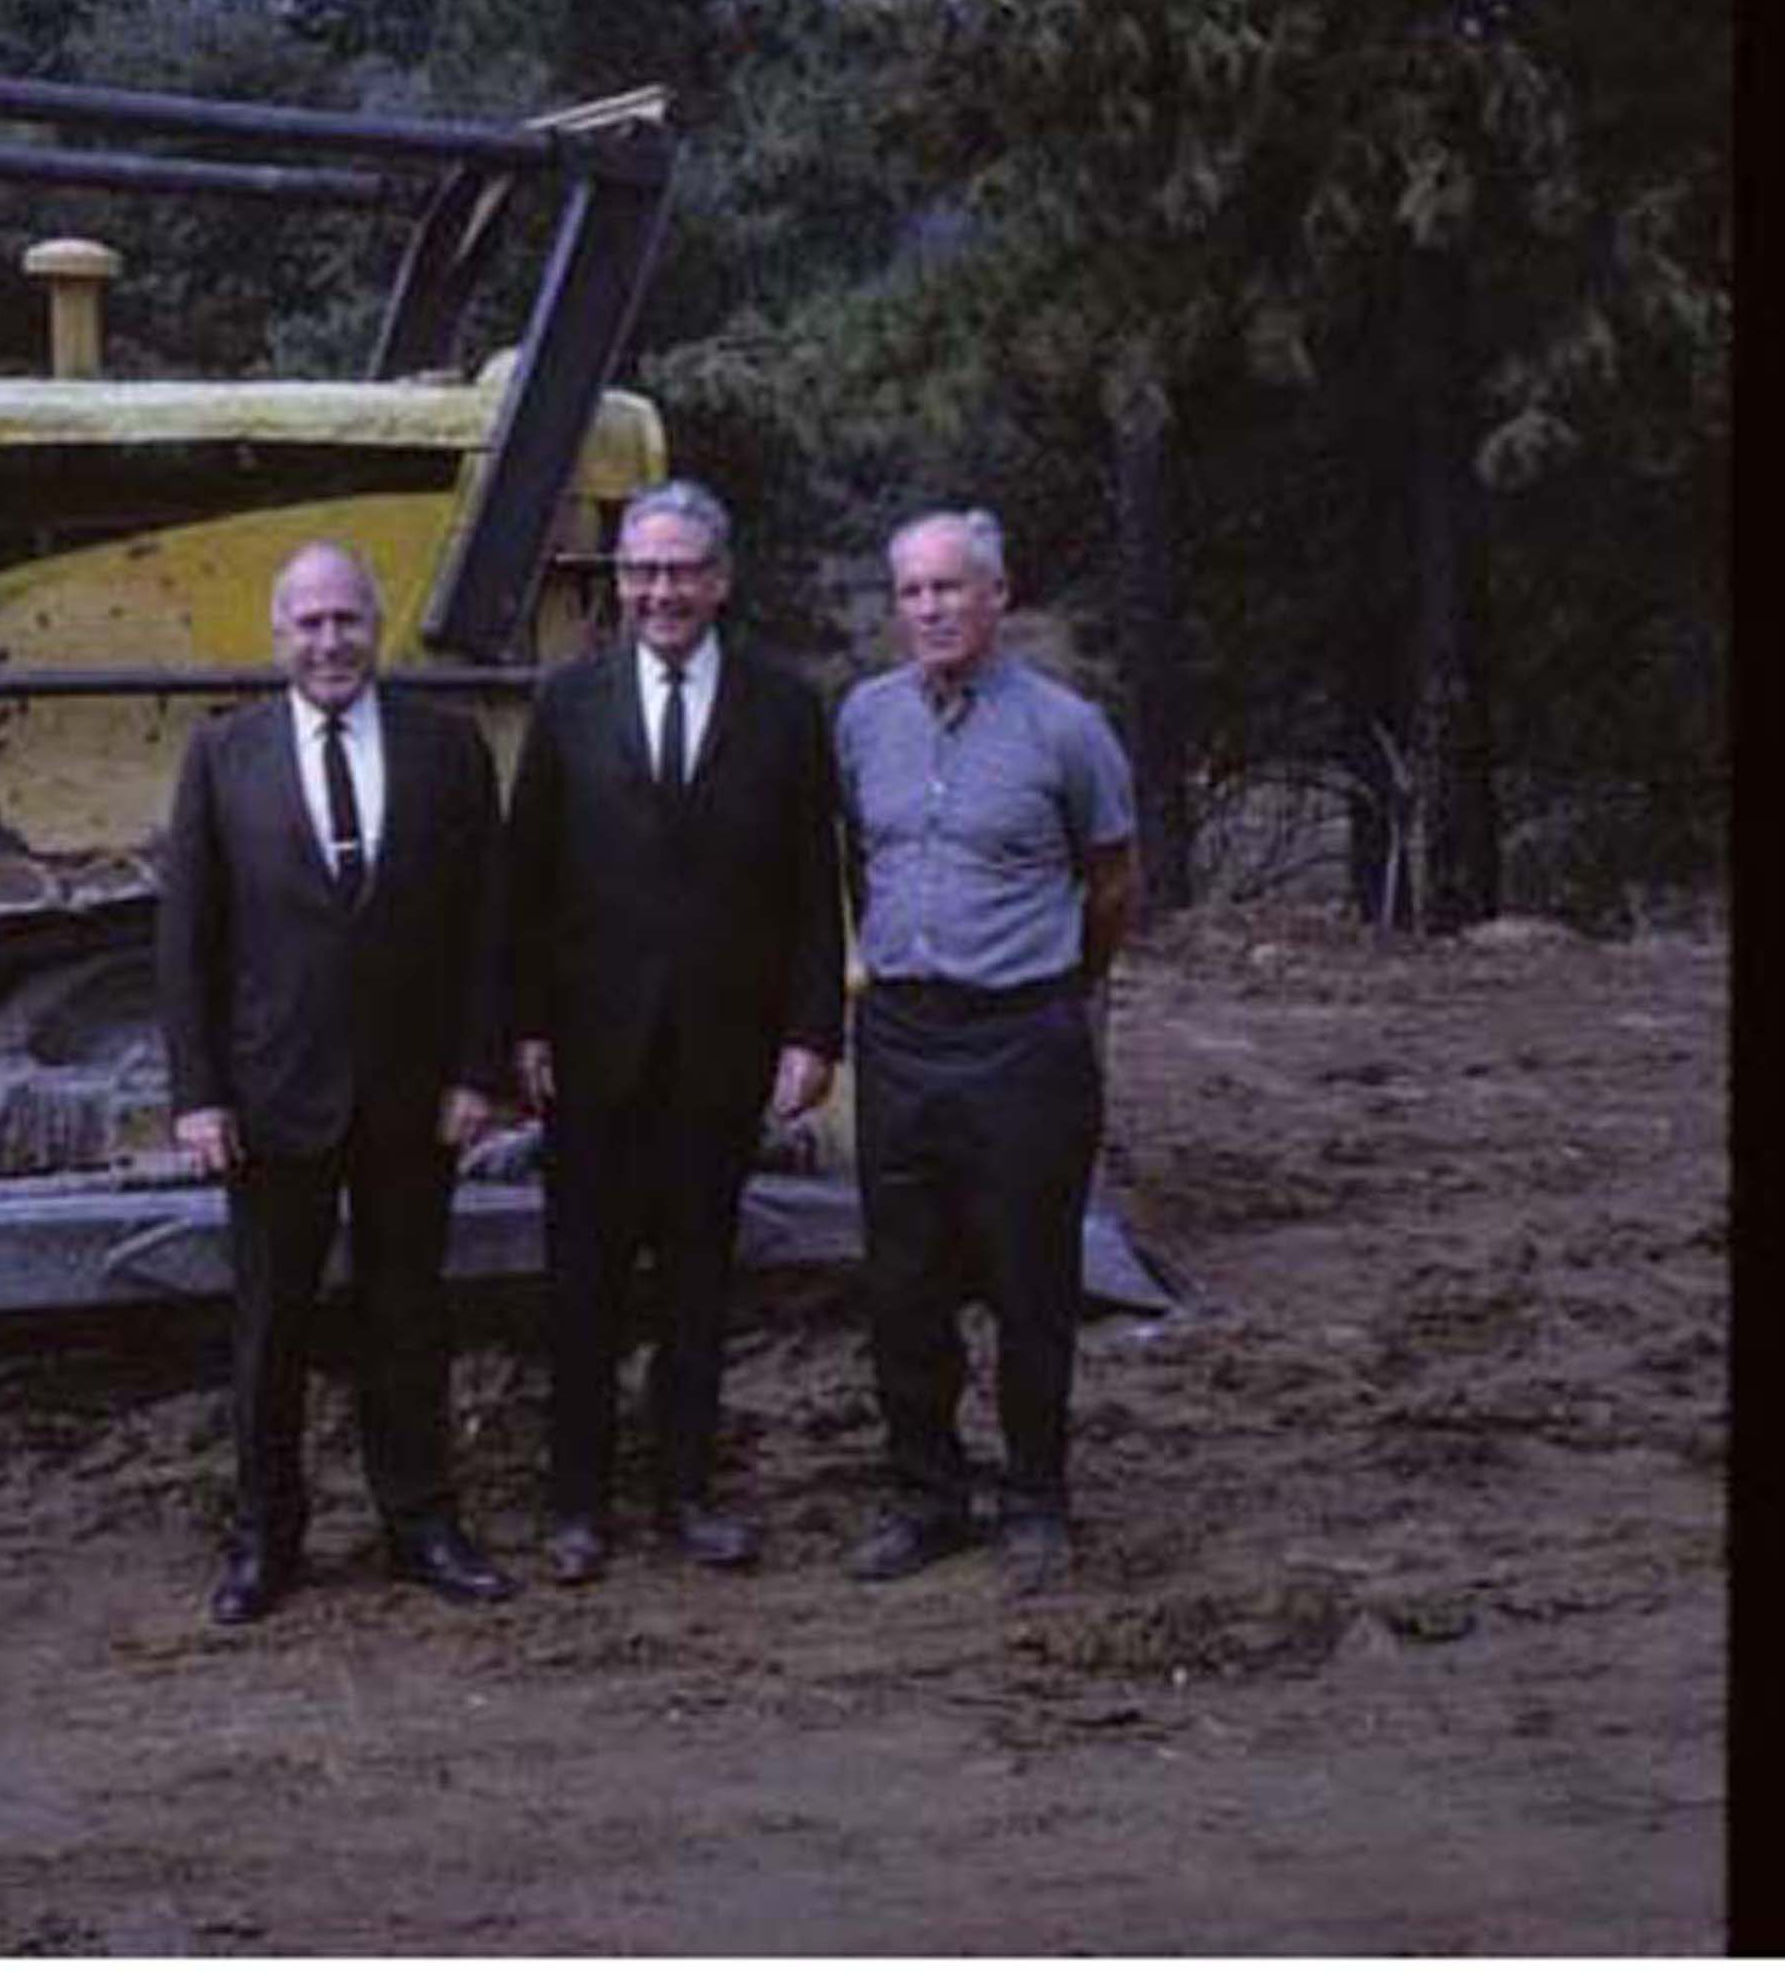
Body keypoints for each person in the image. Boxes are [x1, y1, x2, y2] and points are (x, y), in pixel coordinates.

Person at [157, 541, 518, 1626]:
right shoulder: (224, 757)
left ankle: (423, 1523)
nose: (329, 642)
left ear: (377, 625)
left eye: (347, 620)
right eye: (308, 623)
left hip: (415, 1100)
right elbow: (189, 942)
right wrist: (199, 1094)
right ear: (278, 634)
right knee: (269, 1330)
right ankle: (266, 1539)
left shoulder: (450, 752)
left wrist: (478, 1070)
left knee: (410, 1318)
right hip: (272, 1102)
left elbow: (487, 930)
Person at [502, 481, 845, 1584]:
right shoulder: (568, 703)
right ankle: (576, 1507)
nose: (661, 589)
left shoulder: (789, 709)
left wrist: (812, 1031)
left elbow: (810, 883)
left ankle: (688, 1495)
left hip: (721, 1046)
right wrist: (525, 1028)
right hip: (591, 1052)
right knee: (583, 1287)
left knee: (701, 1283)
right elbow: (528, 882)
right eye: (642, 571)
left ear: (722, 579)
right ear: (619, 584)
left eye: (683, 568)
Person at [835, 508, 1137, 1596]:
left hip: (1022, 1037)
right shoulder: (863, 721)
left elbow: (1110, 881)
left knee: (1028, 1278)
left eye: (951, 589)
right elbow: (854, 856)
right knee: (903, 1279)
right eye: (911, 592)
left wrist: (1057, 978)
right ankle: (926, 1494)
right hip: (902, 1036)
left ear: (998, 596)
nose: (929, 610)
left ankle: (1036, 1498)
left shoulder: (1066, 730)